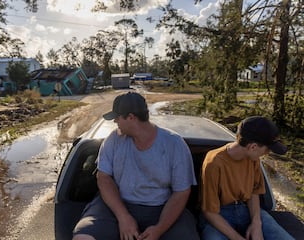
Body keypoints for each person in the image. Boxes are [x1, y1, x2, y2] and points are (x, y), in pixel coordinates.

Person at [73, 92, 200, 240]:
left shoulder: (174, 144)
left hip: (162, 207)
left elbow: (181, 192)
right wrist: (123, 217)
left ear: (131, 117)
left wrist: (159, 229)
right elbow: (103, 178)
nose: (115, 122)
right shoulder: (114, 139)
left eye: (117, 117)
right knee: (83, 236)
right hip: (118, 204)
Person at [200, 116, 295, 240]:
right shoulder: (214, 163)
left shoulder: (253, 158)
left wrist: (256, 224)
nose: (267, 153)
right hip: (219, 215)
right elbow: (209, 212)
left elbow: (254, 192)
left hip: (246, 210)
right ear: (253, 147)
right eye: (267, 149)